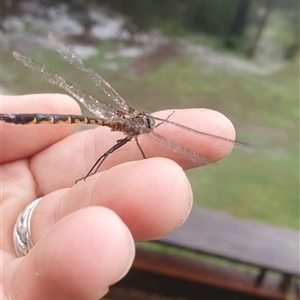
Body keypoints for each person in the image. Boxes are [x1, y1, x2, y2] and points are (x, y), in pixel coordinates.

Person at [0, 93, 235, 299]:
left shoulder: (131, 121)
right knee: (104, 154)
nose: (150, 127)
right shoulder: (135, 128)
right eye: (150, 125)